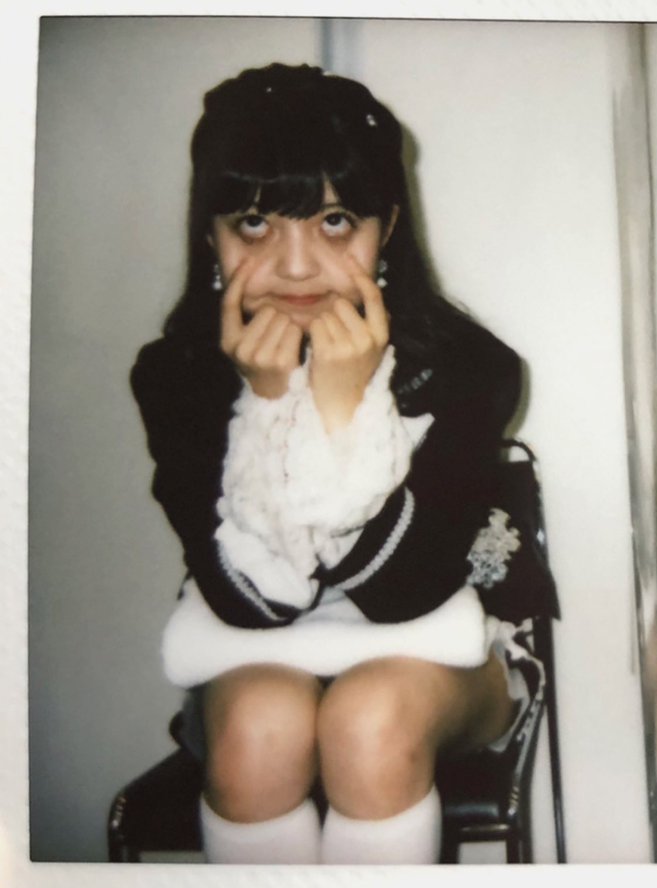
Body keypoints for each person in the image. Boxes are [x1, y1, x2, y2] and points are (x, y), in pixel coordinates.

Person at [131, 63, 530, 865]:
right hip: (254, 655)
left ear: (386, 229)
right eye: (253, 222)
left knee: (369, 721)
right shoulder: (178, 376)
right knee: (258, 731)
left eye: (336, 220)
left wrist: (341, 411)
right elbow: (251, 606)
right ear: (209, 235)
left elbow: (403, 594)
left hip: (438, 654)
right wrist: (270, 405)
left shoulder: (468, 367)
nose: (296, 265)